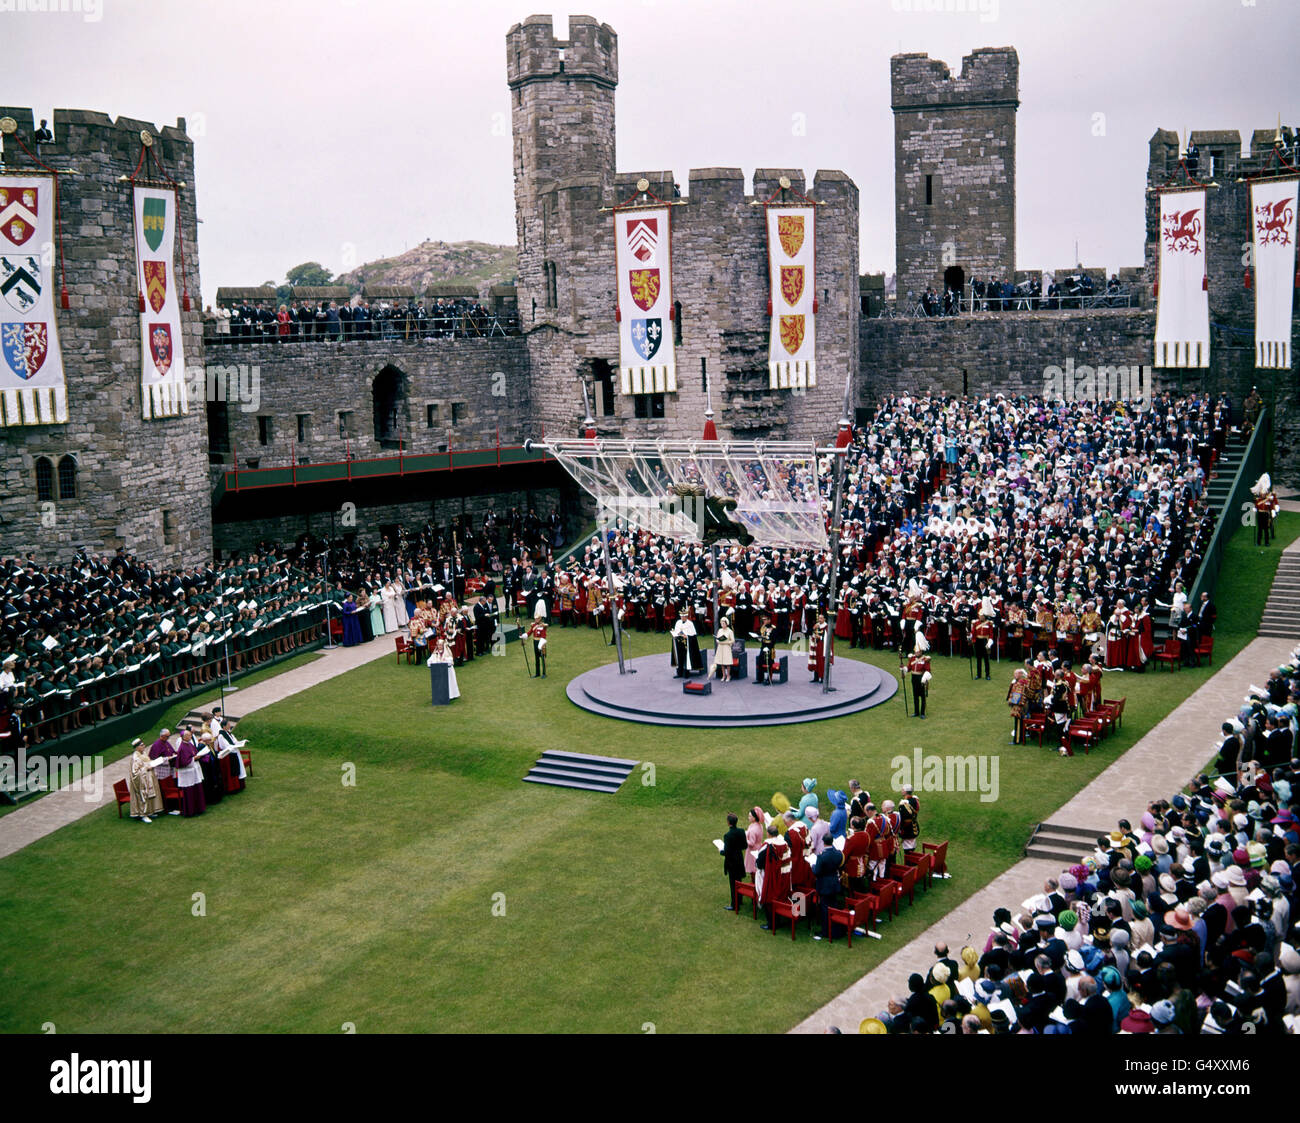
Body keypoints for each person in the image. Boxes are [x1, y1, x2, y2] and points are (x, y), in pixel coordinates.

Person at [127, 737, 163, 823]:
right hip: (141, 781)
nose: (144, 746)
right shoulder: (135, 758)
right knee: (143, 797)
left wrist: (152, 764)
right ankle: (143, 814)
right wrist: (146, 768)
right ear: (137, 747)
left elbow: (148, 762)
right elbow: (135, 773)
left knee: (150, 795)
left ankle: (150, 811)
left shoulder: (144, 754)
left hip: (148, 778)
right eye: (142, 745)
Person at [721, 812, 747, 910]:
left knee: (733, 883)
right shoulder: (741, 831)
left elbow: (727, 851)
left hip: (731, 862)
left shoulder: (727, 835)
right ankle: (739, 900)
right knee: (739, 880)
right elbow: (745, 846)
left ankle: (734, 904)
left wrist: (721, 851)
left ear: (728, 822)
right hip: (739, 859)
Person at [671, 609, 703, 678]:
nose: (682, 618)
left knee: (687, 658)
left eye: (684, 616)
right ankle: (679, 672)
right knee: (679, 657)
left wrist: (687, 636)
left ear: (686, 616)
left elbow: (693, 635)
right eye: (681, 616)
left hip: (687, 644)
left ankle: (686, 673)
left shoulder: (690, 624)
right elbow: (676, 631)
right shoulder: (678, 622)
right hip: (679, 642)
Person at [908, 633, 932, 718]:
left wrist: (925, 678)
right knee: (915, 696)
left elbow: (928, 670)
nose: (916, 653)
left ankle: (922, 713)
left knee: (922, 696)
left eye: (918, 651)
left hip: (921, 678)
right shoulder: (912, 658)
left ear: (921, 651)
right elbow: (908, 668)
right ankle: (916, 712)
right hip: (914, 678)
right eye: (915, 651)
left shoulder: (925, 659)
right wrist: (903, 669)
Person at [713, 612, 735, 682]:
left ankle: (728, 675)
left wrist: (727, 642)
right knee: (722, 662)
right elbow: (717, 638)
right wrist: (718, 640)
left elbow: (733, 640)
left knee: (727, 662)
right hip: (720, 647)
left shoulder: (730, 631)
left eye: (724, 623)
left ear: (726, 624)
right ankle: (724, 675)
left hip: (726, 647)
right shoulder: (720, 630)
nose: (722, 625)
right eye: (721, 623)